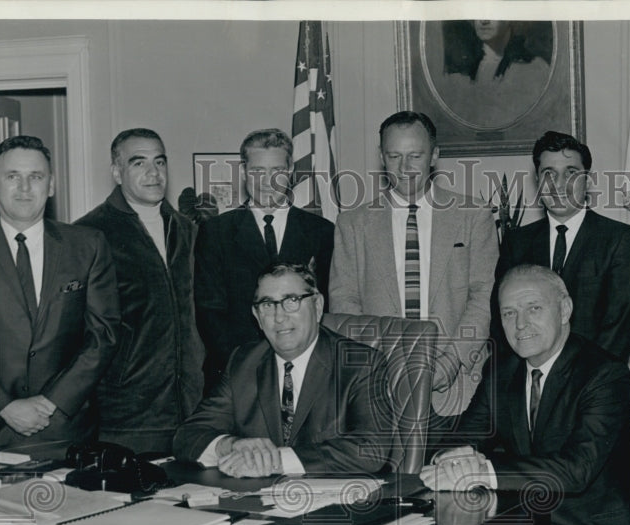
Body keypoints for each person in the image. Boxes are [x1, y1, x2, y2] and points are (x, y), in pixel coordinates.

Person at [420, 264, 630, 525]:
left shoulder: (603, 374)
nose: (520, 324)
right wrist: (449, 457)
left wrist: (484, 470)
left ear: (565, 309)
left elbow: (577, 470)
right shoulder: (504, 368)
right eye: (508, 313)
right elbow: (466, 433)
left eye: (533, 309)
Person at [0, 135, 119, 451]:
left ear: (50, 185)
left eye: (35, 177)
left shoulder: (88, 245)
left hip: (67, 425)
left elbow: (103, 335)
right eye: (13, 176)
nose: (24, 188)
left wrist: (54, 402)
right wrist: (4, 405)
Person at [328, 111, 498, 425]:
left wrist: (451, 360)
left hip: (456, 388)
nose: (404, 168)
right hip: (379, 388)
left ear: (434, 155)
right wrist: (384, 366)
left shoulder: (473, 215)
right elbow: (345, 305)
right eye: (394, 156)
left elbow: (483, 295)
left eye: (415, 156)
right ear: (381, 157)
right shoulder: (352, 224)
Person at [174, 263, 392, 478]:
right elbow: (187, 436)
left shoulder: (360, 364)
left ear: (317, 306)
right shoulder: (244, 363)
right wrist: (231, 446)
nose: (279, 317)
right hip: (256, 504)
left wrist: (276, 460)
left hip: (337, 506)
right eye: (268, 305)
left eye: (291, 301)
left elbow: (371, 448)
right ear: (257, 316)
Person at [75, 128, 204, 453]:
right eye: (139, 163)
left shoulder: (188, 231)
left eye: (159, 162)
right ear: (116, 172)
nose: (153, 173)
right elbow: (77, 333)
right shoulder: (89, 234)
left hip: (192, 412)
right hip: (125, 415)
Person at [194, 128, 334, 391]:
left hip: (306, 374)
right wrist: (248, 367)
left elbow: (325, 309)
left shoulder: (322, 232)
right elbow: (209, 313)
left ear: (290, 171)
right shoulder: (216, 232)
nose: (267, 181)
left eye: (277, 171)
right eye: (258, 171)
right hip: (234, 373)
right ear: (245, 172)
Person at [496, 131, 630, 363]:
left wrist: (571, 384)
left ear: (588, 180)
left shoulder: (619, 239)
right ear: (537, 180)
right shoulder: (517, 242)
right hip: (529, 383)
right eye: (549, 174)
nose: (559, 184)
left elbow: (619, 328)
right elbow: (502, 321)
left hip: (594, 385)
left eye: (571, 173)